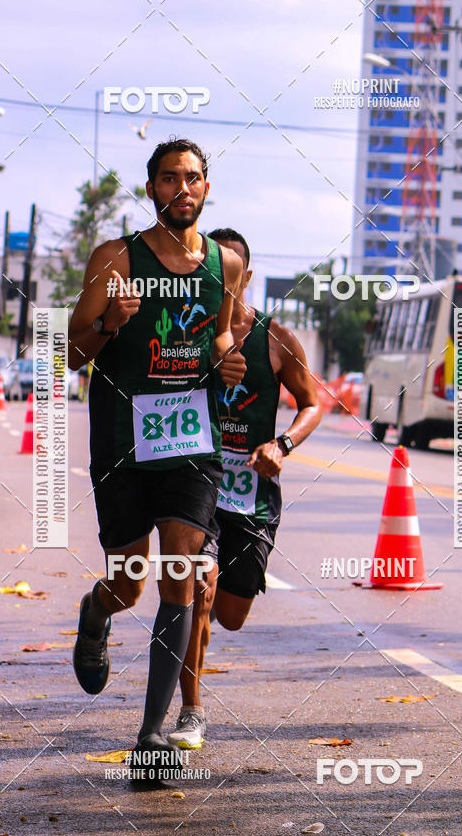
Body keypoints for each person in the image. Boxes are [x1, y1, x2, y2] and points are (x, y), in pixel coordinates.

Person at [67, 139, 246, 767]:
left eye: (193, 178)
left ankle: (151, 735)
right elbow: (74, 353)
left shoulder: (224, 263)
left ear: (205, 188)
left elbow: (221, 331)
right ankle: (97, 610)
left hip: (193, 439)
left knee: (181, 573)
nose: (183, 189)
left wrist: (227, 358)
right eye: (169, 178)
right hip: (123, 438)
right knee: (130, 581)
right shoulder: (115, 258)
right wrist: (112, 321)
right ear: (151, 189)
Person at [167, 228, 322, 750]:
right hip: (199, 484)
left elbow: (313, 402)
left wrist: (282, 445)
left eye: (232, 272)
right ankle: (191, 711)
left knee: (230, 615)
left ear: (247, 278)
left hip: (252, 495)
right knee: (199, 588)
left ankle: (190, 697)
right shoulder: (186, 332)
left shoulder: (275, 339)